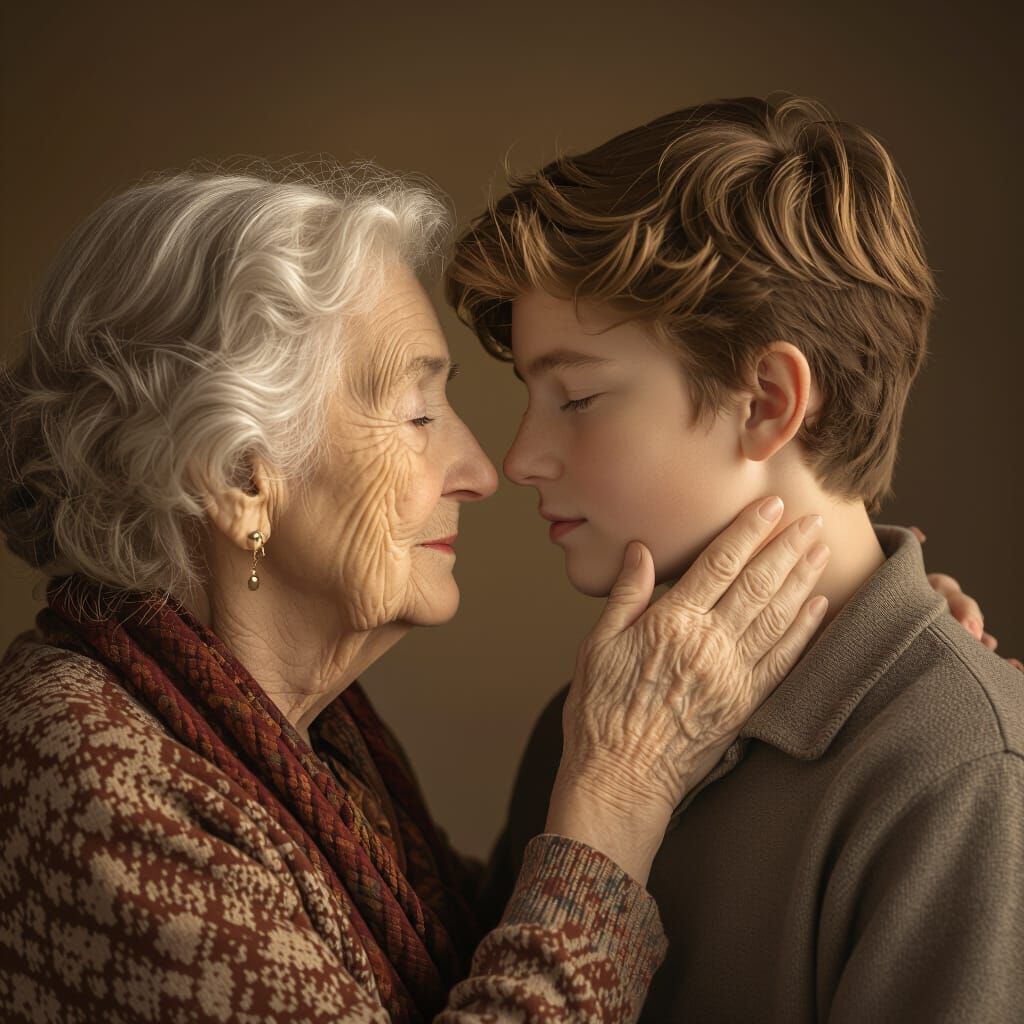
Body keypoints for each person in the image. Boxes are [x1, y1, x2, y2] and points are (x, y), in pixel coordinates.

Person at [0, 165, 863, 1023]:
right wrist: (619, 790)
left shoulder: (301, 739)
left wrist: (866, 615)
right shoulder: (88, 775)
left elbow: (468, 966)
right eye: (418, 415)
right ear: (239, 478)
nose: (483, 471)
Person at [447, 94, 1024, 1022]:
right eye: (530, 394)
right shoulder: (585, 734)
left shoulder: (969, 776)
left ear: (765, 402)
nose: (518, 459)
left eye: (578, 399)